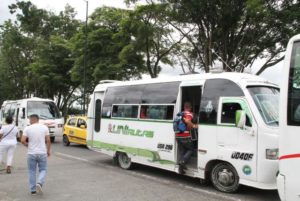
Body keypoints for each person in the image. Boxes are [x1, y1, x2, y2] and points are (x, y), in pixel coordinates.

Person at [21, 114, 51, 195]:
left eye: (30, 120)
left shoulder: (27, 128)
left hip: (31, 153)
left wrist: (28, 145)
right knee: (43, 169)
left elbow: (23, 140)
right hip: (42, 152)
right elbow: (48, 140)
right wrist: (48, 151)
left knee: (31, 171)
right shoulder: (44, 127)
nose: (29, 121)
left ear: (32, 119)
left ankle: (33, 190)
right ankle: (39, 182)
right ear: (38, 120)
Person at [176, 102, 198, 174]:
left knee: (182, 151)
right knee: (190, 149)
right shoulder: (189, 114)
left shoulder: (179, 114)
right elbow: (187, 121)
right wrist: (194, 126)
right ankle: (182, 162)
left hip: (178, 136)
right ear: (190, 107)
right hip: (185, 136)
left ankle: (181, 169)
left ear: (184, 107)